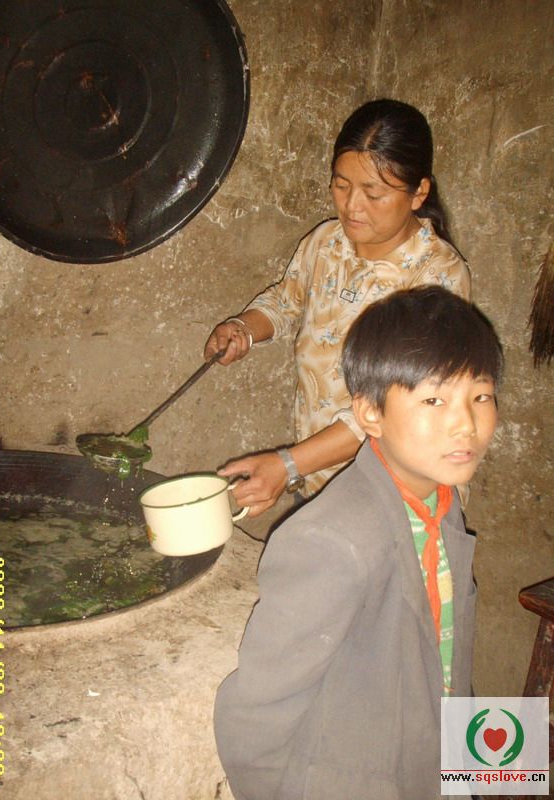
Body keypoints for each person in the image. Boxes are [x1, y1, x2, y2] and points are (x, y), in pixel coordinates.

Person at [214, 286, 504, 800]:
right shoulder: (331, 541)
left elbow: (448, 659)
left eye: (480, 396)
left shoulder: (442, 504)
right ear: (370, 414)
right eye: (434, 400)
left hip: (436, 762)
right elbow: (255, 714)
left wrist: (486, 776)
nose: (466, 424)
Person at [204, 99, 471, 517]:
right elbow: (285, 299)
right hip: (320, 479)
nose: (352, 206)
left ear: (418, 193)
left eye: (374, 193)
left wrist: (287, 464)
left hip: (398, 498)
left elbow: (389, 410)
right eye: (341, 185)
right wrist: (244, 329)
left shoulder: (437, 278)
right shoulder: (326, 243)